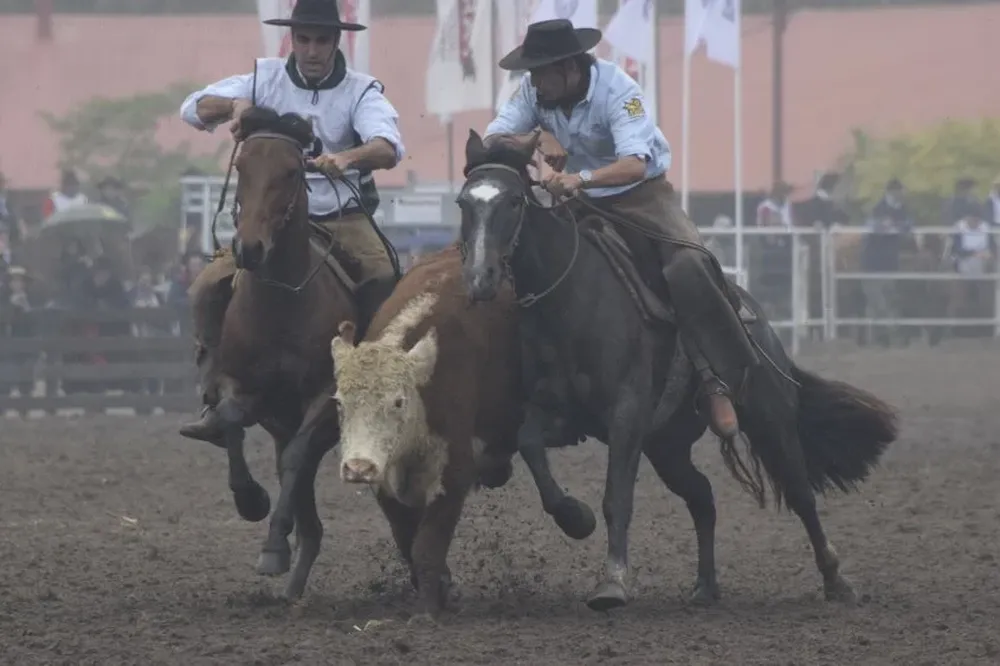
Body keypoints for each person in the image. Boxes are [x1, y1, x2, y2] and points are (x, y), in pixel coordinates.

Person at [482, 19, 757, 439]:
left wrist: (580, 179)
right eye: (532, 73)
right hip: (579, 198)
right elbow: (494, 137)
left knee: (688, 263)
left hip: (642, 195)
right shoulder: (533, 92)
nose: (535, 82)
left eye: (542, 72)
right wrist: (537, 135)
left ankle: (717, 377)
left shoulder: (621, 92)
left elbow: (635, 162)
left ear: (570, 67)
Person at [176, 0, 404, 442]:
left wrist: (348, 156)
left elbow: (388, 147)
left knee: (384, 276)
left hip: (340, 216)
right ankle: (212, 397)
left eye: (321, 40)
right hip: (270, 219)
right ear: (292, 40)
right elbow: (192, 108)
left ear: (337, 42)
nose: (312, 50)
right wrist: (235, 105)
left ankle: (379, 389)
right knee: (205, 287)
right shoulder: (264, 78)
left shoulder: (361, 91)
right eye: (303, 39)